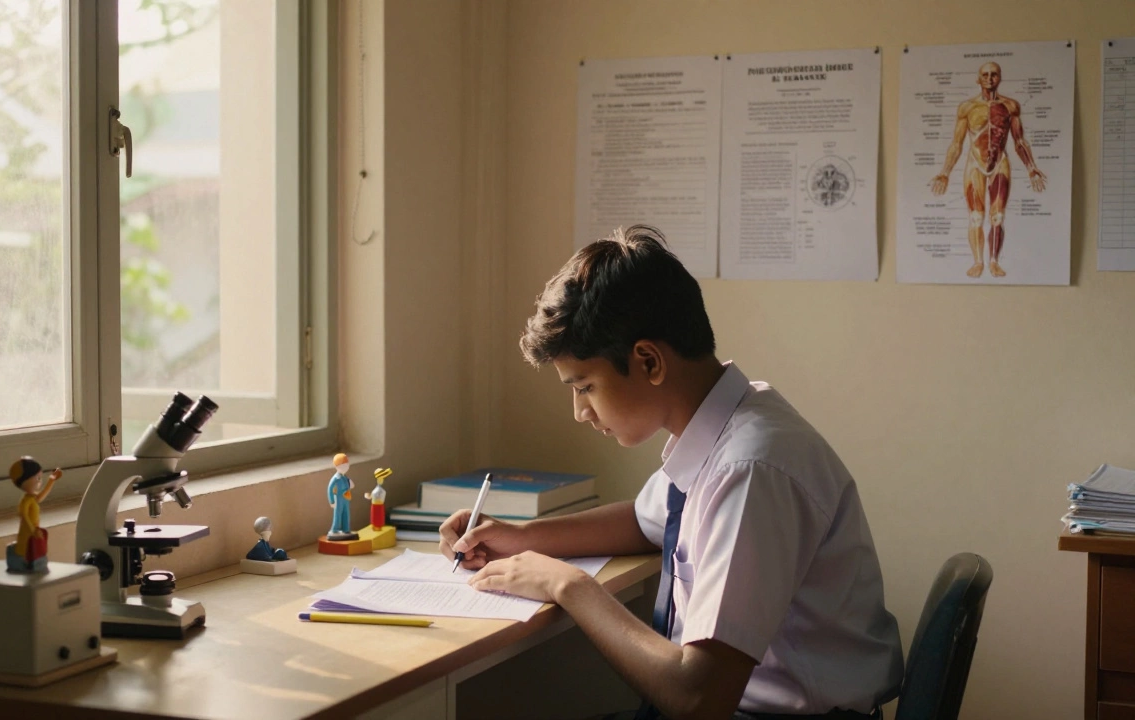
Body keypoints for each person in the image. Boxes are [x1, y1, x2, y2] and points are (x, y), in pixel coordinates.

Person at [439, 226, 903, 720]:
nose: (580, 412)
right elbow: (644, 522)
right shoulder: (723, 423)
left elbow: (698, 698)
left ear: (648, 361)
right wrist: (518, 537)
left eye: (586, 387)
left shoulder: (751, 469)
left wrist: (568, 586)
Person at [930, 61, 1046, 279]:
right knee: (975, 217)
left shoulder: (1011, 106)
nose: (990, 78)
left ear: (999, 78)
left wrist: (1032, 168)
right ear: (978, 78)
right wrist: (945, 172)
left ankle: (993, 261)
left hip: (999, 162)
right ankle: (977, 261)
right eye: (985, 75)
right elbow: (957, 143)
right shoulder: (967, 107)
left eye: (994, 74)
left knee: (998, 216)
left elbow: (1019, 141)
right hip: (975, 163)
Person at [6, 456, 62, 573]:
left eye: (40, 478)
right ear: (25, 480)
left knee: (35, 549)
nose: (40, 481)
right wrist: (32, 531)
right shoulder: (26, 501)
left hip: (34, 530)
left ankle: (32, 563)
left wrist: (51, 480)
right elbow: (24, 515)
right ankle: (26, 564)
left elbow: (42, 495)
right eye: (37, 478)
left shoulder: (32, 498)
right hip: (27, 532)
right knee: (27, 549)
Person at [327, 453, 357, 540]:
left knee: (346, 513)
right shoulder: (335, 478)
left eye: (347, 466)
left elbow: (351, 485)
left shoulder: (345, 477)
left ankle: (346, 528)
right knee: (338, 514)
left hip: (346, 498)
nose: (346, 468)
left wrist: (350, 483)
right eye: (343, 466)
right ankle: (335, 529)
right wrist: (332, 501)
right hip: (339, 499)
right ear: (337, 466)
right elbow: (330, 489)